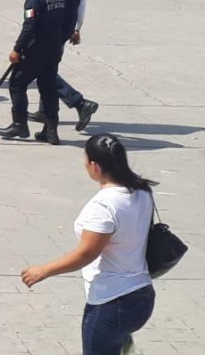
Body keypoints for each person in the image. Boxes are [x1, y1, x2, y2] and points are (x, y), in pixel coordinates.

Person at [21, 134, 156, 355]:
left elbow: (87, 254)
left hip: (112, 301)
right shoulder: (142, 191)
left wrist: (44, 270)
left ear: (94, 166)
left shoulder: (104, 205)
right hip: (142, 295)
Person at [33, 0, 100, 131]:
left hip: (52, 27)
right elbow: (82, 1)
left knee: (43, 69)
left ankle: (80, 103)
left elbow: (50, 0)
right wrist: (77, 27)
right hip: (67, 25)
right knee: (49, 65)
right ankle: (45, 110)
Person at [0, 0, 67, 144]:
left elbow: (29, 28)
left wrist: (17, 49)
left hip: (35, 51)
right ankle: (51, 131)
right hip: (54, 51)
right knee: (48, 88)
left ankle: (19, 125)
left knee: (17, 84)